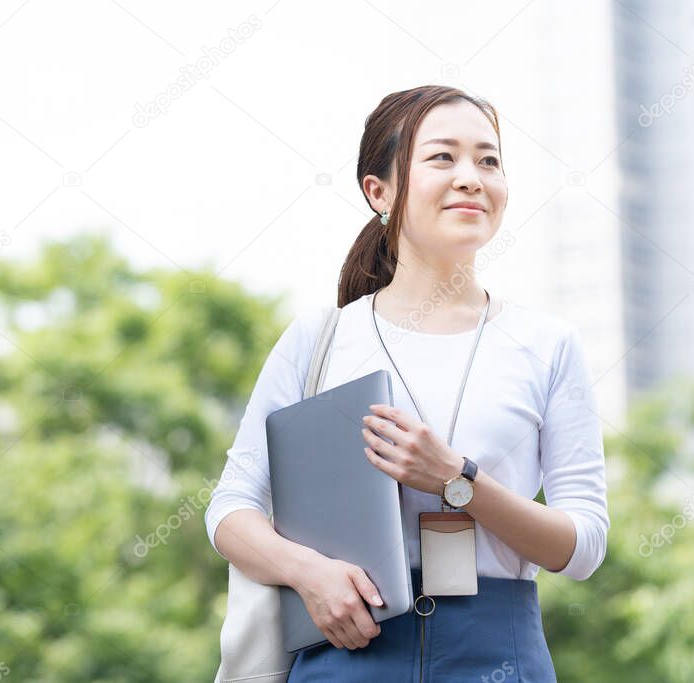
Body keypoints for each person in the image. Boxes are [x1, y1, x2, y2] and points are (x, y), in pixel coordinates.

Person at [205, 84, 610, 682]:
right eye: (443, 157)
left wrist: (457, 480)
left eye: (489, 160)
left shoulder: (548, 344)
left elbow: (582, 547)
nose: (472, 177)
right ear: (380, 191)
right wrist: (307, 573)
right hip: (347, 647)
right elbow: (231, 508)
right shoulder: (321, 338)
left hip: (498, 655)